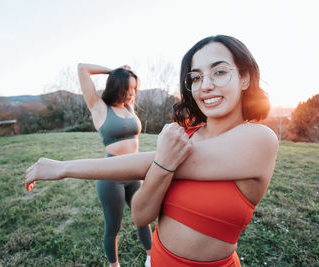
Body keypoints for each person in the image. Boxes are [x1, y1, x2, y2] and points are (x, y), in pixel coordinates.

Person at [25, 35, 278, 266]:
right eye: (196, 77)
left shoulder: (260, 139)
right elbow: (140, 215)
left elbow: (149, 162)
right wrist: (162, 164)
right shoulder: (184, 135)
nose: (206, 86)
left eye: (220, 72)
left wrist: (64, 167)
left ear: (245, 77)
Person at [60, 63, 153, 267]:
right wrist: (113, 71)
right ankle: (114, 265)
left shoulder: (129, 106)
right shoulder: (99, 107)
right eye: (127, 89)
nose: (131, 94)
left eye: (133, 89)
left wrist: (127, 75)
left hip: (135, 173)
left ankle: (152, 258)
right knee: (114, 227)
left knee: (143, 218)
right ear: (116, 86)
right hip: (111, 177)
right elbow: (82, 68)